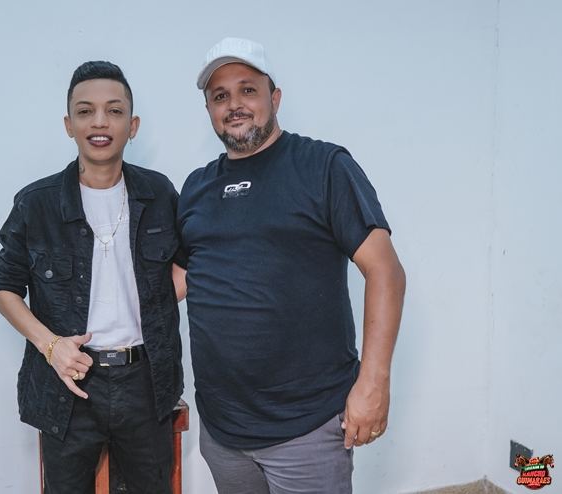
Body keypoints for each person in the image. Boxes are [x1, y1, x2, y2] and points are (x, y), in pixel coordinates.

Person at [174, 38, 406, 494]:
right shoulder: (197, 187)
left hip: (307, 427)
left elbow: (385, 270)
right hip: (222, 430)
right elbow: (181, 279)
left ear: (275, 98)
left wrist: (374, 382)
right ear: (209, 109)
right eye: (220, 96)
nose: (234, 105)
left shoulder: (323, 166)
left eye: (248, 90)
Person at [0, 61, 183, 494]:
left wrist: (147, 306)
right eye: (85, 111)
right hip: (69, 382)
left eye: (114, 111)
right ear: (68, 125)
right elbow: (5, 290)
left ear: (132, 126)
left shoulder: (160, 194)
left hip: (145, 381)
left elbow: (186, 266)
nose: (99, 122)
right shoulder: (36, 203)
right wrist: (52, 346)